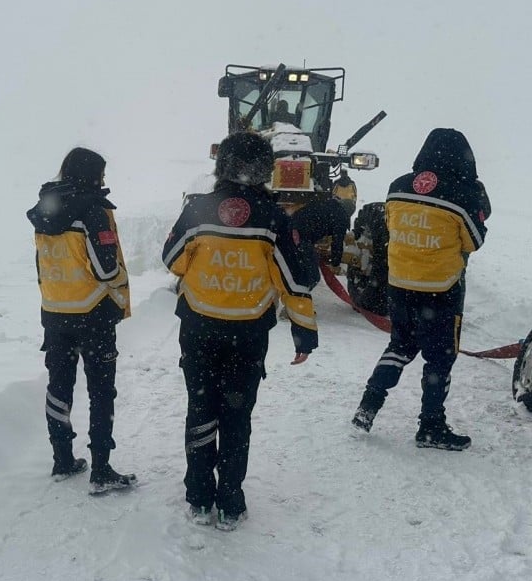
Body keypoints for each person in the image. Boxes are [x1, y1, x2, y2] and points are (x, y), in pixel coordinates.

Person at [162, 131, 318, 530]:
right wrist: (303, 331)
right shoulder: (274, 218)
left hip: (198, 329)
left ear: (223, 166)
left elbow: (173, 260)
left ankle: (198, 496)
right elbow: (295, 280)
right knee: (236, 415)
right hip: (247, 336)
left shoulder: (199, 209)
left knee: (200, 408)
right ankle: (231, 500)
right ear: (266, 169)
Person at [350, 128, 488, 451]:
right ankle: (431, 426)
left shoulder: (397, 187)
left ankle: (367, 408)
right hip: (442, 290)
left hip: (399, 285)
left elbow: (389, 226)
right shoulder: (461, 195)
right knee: (440, 359)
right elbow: (475, 241)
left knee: (399, 347)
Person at [26, 147, 136, 494]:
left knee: (58, 387)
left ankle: (62, 460)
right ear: (93, 175)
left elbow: (41, 264)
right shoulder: (94, 209)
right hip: (93, 314)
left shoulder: (46, 207)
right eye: (101, 173)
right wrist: (118, 283)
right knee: (101, 390)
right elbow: (106, 268)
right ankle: (101, 469)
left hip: (55, 312)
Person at [291, 195, 351, 281]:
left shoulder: (327, 203)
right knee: (312, 276)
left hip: (293, 226)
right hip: (301, 234)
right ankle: (299, 289)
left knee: (297, 263)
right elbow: (337, 242)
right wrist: (335, 263)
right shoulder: (341, 217)